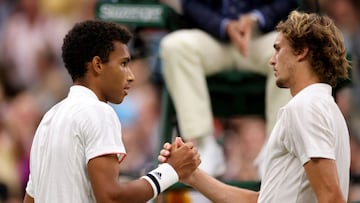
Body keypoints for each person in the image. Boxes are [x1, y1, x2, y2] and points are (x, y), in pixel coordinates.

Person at [159, 10, 351, 202]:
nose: (272, 60)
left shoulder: (305, 107)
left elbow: (331, 197)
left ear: (301, 51)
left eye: (278, 49)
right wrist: (192, 175)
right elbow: (260, 200)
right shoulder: (322, 107)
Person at [23, 20, 201, 203]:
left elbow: (30, 199)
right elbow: (111, 198)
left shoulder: (49, 118)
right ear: (98, 65)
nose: (131, 76)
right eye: (123, 64)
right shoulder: (98, 112)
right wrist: (170, 170)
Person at [159, 0, 298, 177]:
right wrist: (224, 26)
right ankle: (202, 145)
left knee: (291, 51)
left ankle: (276, 149)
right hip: (213, 38)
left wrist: (255, 19)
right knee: (174, 47)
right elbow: (191, 4)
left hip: (262, 38)